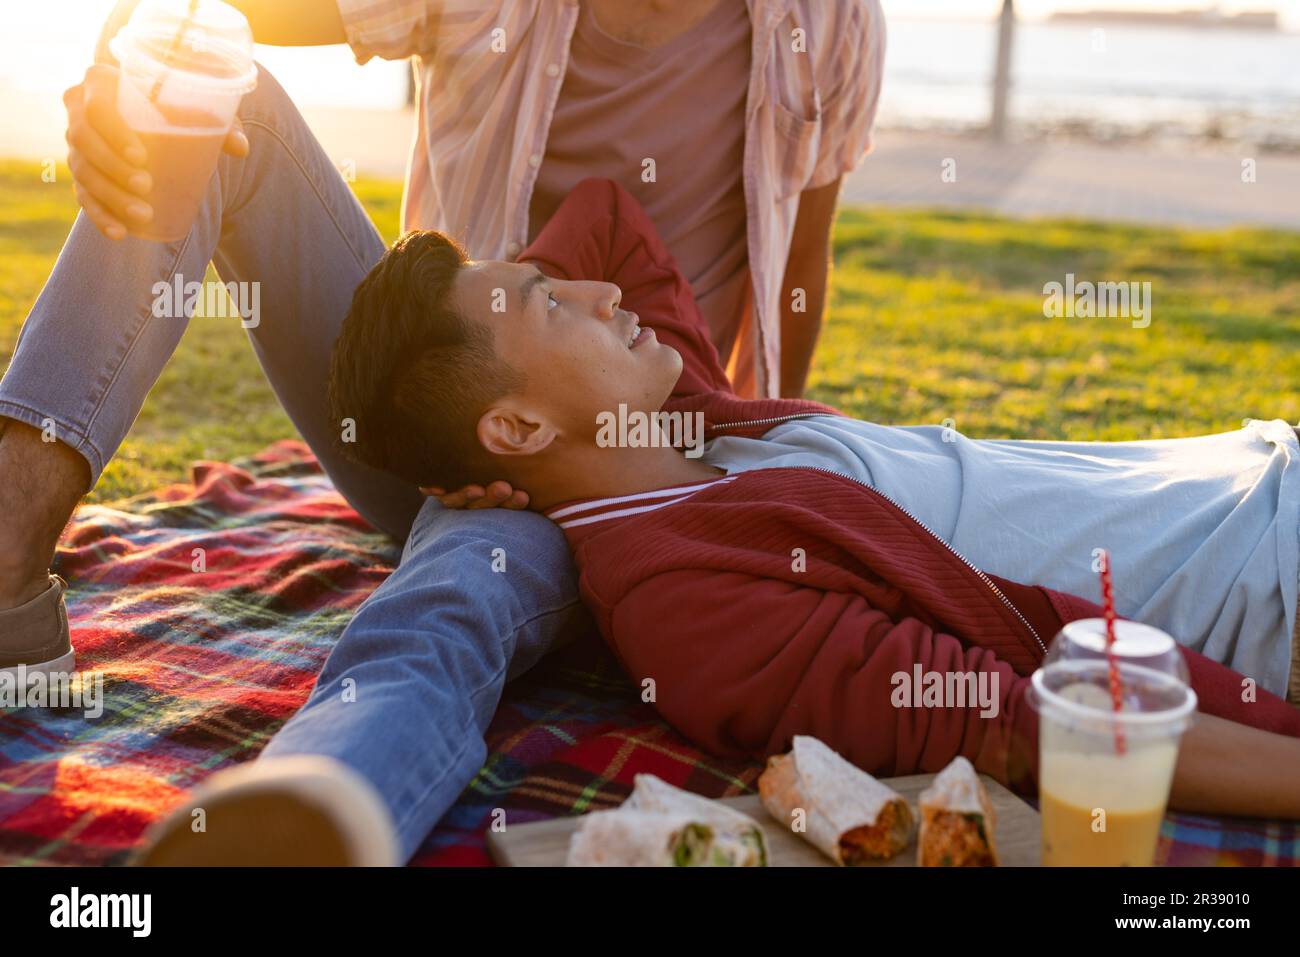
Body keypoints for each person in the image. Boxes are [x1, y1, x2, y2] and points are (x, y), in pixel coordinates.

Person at [0, 0, 883, 864]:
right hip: (435, 420)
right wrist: (124, 81)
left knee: (448, 604)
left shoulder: (831, 21)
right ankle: (8, 540)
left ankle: (320, 799)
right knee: (223, 107)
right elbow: (202, 13)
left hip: (626, 467)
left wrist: (757, 477)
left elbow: (802, 261)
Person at [325, 176, 1300, 822]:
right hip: (1273, 589)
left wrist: (483, 437)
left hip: (1270, 471)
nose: (600, 293)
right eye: (549, 304)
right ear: (522, 431)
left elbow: (604, 215)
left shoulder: (685, 425)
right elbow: (1025, 722)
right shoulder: (683, 600)